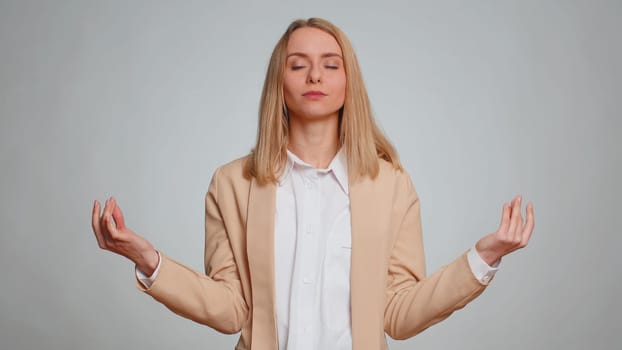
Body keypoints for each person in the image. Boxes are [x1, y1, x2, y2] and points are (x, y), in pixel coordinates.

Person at [91, 18, 535, 350]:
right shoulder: (231, 184)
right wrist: (148, 260)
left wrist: (485, 257)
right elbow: (231, 310)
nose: (315, 77)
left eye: (330, 64)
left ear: (348, 82)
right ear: (278, 84)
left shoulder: (391, 184)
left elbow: (398, 314)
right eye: (298, 65)